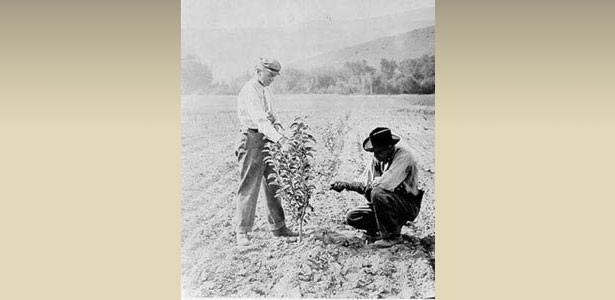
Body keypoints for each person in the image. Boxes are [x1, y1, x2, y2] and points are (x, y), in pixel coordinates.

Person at [234, 57, 298, 246]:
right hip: (251, 140)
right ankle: (242, 232)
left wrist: (283, 135)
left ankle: (279, 227)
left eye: (275, 76)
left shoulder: (266, 91)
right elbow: (261, 122)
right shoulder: (250, 91)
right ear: (258, 71)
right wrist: (280, 139)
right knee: (249, 187)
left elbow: (272, 118)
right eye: (270, 75)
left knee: (273, 184)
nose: (272, 79)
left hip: (267, 139)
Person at [330, 127, 424, 248]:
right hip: (388, 203)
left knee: (377, 193)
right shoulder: (378, 160)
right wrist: (345, 185)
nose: (376, 155)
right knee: (353, 217)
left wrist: (368, 188)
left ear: (390, 148)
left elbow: (386, 184)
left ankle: (392, 237)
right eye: (374, 151)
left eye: (379, 151)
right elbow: (364, 182)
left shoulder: (404, 157)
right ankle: (386, 227)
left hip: (407, 205)